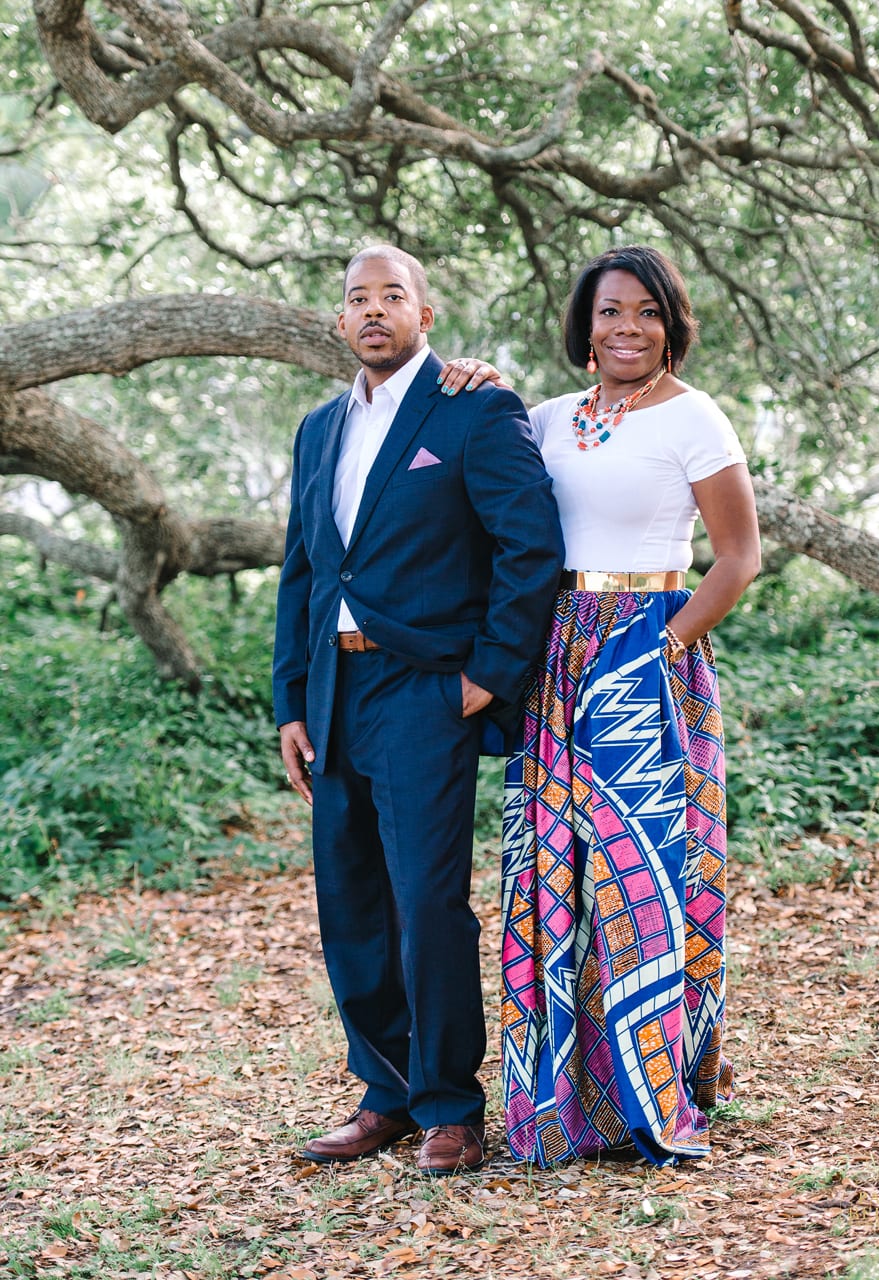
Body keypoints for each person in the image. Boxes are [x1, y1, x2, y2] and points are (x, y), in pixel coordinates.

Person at [440, 244, 761, 1167]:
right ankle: (561, 1104)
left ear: (673, 324)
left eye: (648, 312)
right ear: (585, 327)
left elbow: (738, 558)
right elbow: (488, 472)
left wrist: (661, 646)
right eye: (612, 312)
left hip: (649, 655)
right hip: (553, 654)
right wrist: (475, 379)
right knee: (556, 877)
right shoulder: (544, 418)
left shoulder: (696, 419)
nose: (630, 328)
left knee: (648, 877)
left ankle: (650, 1094)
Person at [272, 245, 563, 1176]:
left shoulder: (475, 408)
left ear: (425, 315)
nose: (373, 311)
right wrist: (290, 701)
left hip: (425, 691)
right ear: (339, 319)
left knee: (429, 902)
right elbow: (305, 575)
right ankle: (386, 1094)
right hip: (334, 693)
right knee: (350, 900)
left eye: (392, 295)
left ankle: (451, 1106)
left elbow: (532, 547)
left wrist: (487, 674)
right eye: (357, 298)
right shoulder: (318, 430)